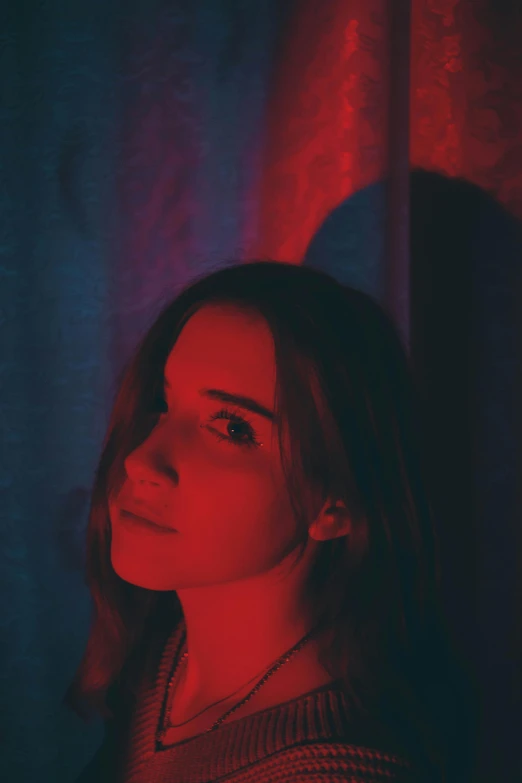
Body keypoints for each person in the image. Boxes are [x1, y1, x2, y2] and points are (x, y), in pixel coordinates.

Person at [66, 260, 469, 782]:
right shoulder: (165, 658)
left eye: (232, 427)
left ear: (335, 505)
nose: (142, 460)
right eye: (163, 404)